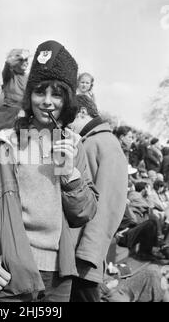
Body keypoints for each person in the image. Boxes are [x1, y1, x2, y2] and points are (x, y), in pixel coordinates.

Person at [0, 40, 98, 302]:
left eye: (56, 94)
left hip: (59, 279)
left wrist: (70, 175)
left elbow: (84, 212)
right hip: (10, 275)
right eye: (39, 92)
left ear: (68, 99)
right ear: (29, 95)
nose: (47, 102)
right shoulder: (4, 143)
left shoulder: (74, 146)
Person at [70, 95, 128, 302]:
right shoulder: (93, 141)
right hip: (75, 252)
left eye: (69, 119)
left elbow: (108, 204)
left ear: (82, 112)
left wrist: (88, 252)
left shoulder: (105, 144)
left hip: (82, 257)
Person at [0, 49, 30, 132]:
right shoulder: (9, 75)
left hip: (22, 110)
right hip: (8, 109)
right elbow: (8, 63)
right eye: (22, 60)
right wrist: (20, 56)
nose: (26, 62)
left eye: (27, 60)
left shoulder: (28, 78)